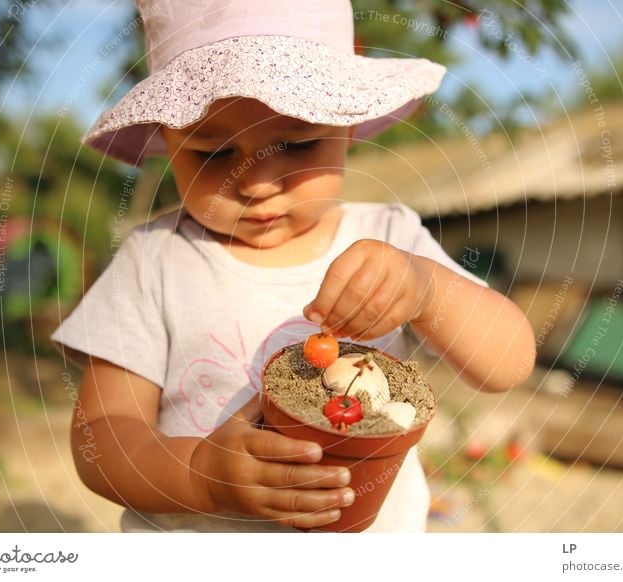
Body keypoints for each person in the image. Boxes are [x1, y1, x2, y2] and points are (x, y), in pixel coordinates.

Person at [52, 0, 536, 533]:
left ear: (347, 129)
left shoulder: (391, 238)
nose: (258, 183)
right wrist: (201, 475)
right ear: (168, 143)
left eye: (299, 144)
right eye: (211, 154)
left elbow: (506, 364)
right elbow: (102, 437)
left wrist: (427, 290)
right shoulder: (154, 261)